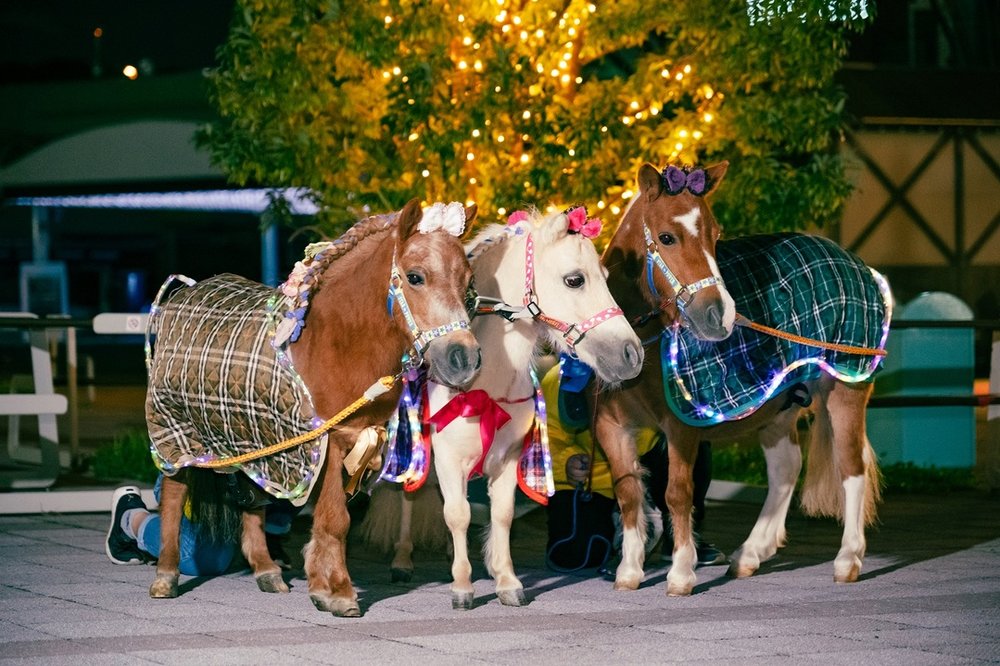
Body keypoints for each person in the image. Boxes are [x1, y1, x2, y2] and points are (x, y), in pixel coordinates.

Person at [543, 353, 725, 573]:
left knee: (690, 437)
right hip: (595, 482)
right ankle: (622, 533)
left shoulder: (651, 369)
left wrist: (635, 466)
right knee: (571, 556)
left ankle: (676, 532)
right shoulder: (557, 378)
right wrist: (567, 460)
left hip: (646, 469)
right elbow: (550, 435)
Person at [105, 474, 298, 575]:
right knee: (203, 560)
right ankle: (131, 520)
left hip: (253, 466)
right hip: (196, 471)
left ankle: (270, 533)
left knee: (303, 463)